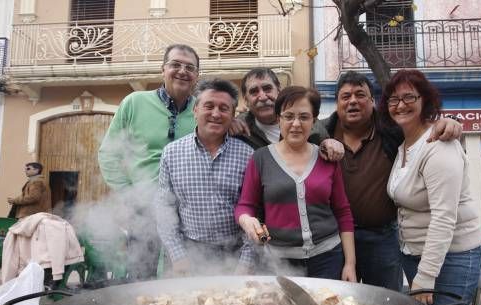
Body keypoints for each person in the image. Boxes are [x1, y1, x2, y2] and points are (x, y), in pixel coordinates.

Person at [380, 69, 481, 305]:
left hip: (453, 254)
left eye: (410, 97)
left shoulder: (439, 146)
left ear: (425, 101)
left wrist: (424, 277)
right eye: (394, 99)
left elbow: (444, 217)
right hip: (416, 253)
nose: (401, 105)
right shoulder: (404, 147)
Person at [322, 71, 463, 292]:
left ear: (372, 101)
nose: (352, 101)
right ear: (337, 103)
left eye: (360, 95)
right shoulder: (323, 132)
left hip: (383, 239)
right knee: (339, 303)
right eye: (345, 96)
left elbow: (422, 128)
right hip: (337, 240)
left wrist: (449, 121)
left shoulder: (392, 131)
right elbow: (298, 130)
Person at [98, 43, 200, 280]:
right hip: (144, 208)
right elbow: (109, 153)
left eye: (190, 67)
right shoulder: (134, 102)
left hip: (187, 211)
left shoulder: (202, 110)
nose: (182, 71)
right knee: (141, 279)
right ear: (162, 69)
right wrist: (129, 194)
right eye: (175, 65)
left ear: (197, 76)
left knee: (182, 279)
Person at [235, 86, 356, 281]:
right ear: (278, 119)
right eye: (289, 116)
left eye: (304, 117)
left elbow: (343, 212)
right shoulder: (260, 159)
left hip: (328, 257)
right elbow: (245, 205)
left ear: (314, 121)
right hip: (280, 262)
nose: (296, 124)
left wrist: (350, 263)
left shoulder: (327, 158)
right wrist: (246, 220)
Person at [156, 79, 255, 275]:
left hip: (234, 255)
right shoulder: (171, 153)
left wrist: (246, 261)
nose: (216, 114)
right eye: (209, 106)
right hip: (190, 253)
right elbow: (165, 209)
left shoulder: (248, 155)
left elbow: (254, 211)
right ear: (195, 110)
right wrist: (177, 254)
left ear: (233, 114)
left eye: (224, 108)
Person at [234, 67, 344, 160]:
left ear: (279, 91)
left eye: (267, 89)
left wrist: (330, 143)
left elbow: (325, 141)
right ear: (246, 100)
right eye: (254, 92)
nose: (262, 97)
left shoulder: (310, 125)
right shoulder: (238, 128)